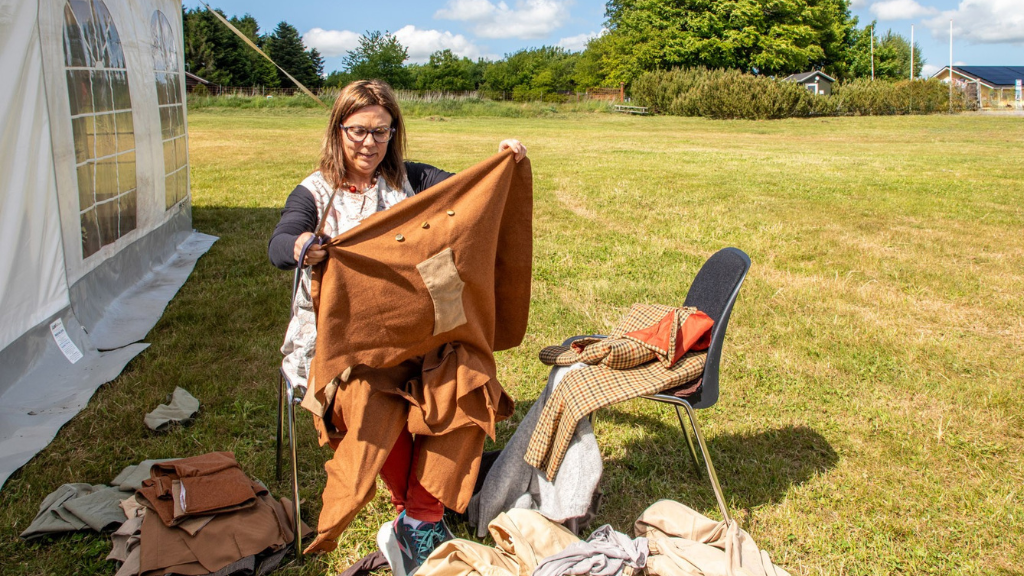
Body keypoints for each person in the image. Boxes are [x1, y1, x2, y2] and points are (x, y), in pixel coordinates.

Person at [268, 79, 527, 568]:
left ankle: (418, 518)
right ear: (338, 129)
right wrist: (302, 245)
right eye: (358, 131)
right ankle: (419, 515)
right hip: (343, 347)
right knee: (369, 396)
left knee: (467, 378)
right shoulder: (313, 193)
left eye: (381, 132)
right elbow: (280, 242)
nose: (369, 143)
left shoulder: (411, 179)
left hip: (418, 333)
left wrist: (501, 159)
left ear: (394, 133)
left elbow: (472, 191)